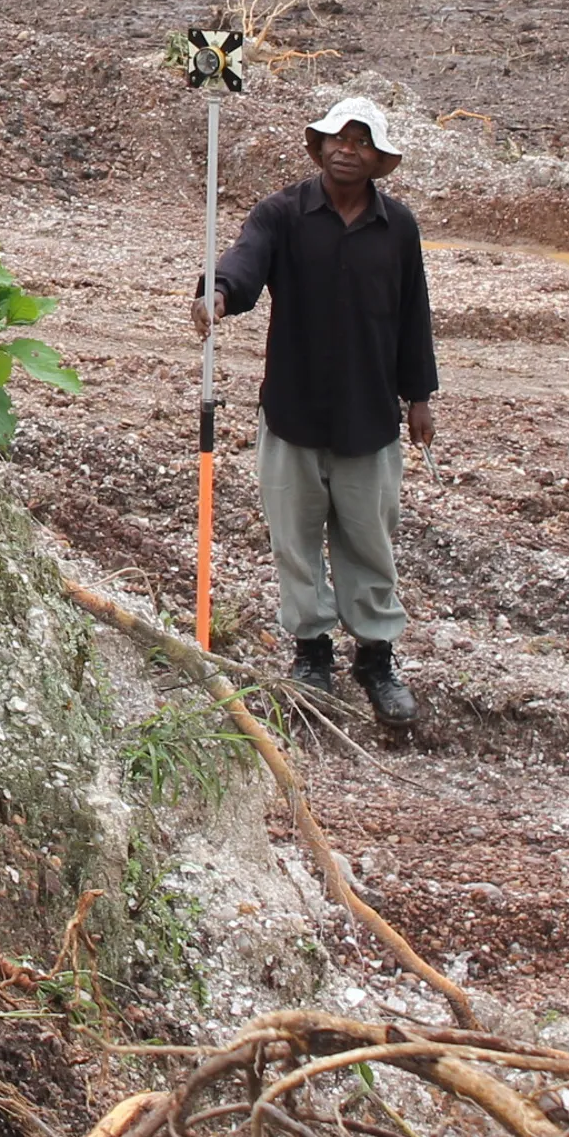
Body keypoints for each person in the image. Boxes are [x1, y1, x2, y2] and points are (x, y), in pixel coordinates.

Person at [205, 93, 439, 728]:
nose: (347, 150)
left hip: (370, 415)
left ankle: (376, 659)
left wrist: (419, 396)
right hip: (294, 411)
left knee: (369, 540)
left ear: (378, 159)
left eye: (362, 142)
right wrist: (219, 292)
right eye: (339, 138)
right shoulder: (281, 213)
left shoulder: (399, 227)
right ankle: (311, 653)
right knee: (296, 540)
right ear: (320, 146)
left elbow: (414, 313)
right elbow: (246, 259)